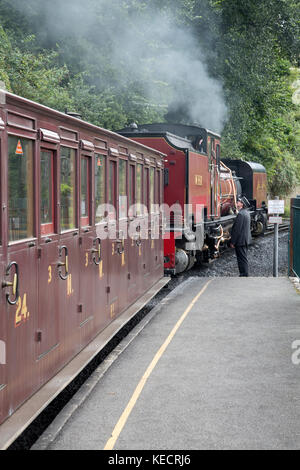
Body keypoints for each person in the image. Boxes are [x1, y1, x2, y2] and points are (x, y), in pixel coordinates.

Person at [230, 196, 252, 277]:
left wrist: (232, 242)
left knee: (241, 258)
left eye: (238, 201)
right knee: (243, 257)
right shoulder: (245, 213)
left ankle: (244, 274)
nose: (237, 203)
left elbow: (237, 230)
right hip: (244, 239)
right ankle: (243, 273)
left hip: (240, 241)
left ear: (242, 204)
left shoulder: (241, 214)